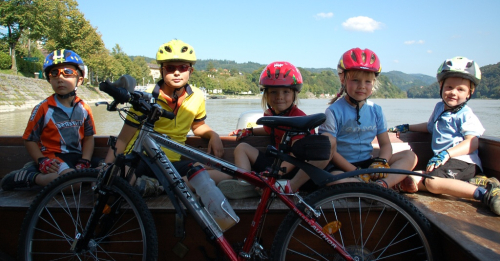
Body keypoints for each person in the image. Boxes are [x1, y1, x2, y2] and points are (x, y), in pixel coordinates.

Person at [101, 39, 229, 196]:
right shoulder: (144, 97)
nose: (177, 72)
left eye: (183, 67)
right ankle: (168, 186)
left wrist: (213, 135)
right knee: (122, 178)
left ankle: (159, 187)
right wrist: (106, 167)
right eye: (170, 68)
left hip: (171, 163)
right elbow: (123, 139)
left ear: (191, 71)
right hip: (140, 159)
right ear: (162, 70)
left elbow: (197, 125)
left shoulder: (197, 96)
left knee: (224, 174)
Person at [388, 56, 500, 215]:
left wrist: (447, 154)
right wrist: (406, 127)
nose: (453, 93)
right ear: (441, 86)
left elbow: (472, 142)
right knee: (407, 179)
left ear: (470, 92)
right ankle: (472, 182)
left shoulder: (466, 115)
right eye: (449, 87)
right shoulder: (440, 107)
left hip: (463, 162)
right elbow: (429, 127)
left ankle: (485, 193)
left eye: (461, 89)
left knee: (432, 183)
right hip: (446, 164)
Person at [218, 61, 332, 199]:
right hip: (276, 162)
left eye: (285, 92)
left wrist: (276, 172)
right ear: (265, 95)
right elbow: (268, 130)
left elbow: (296, 155)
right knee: (241, 148)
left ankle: (276, 184)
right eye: (273, 92)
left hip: (294, 169)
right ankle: (245, 184)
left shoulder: (298, 118)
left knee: (289, 162)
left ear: (295, 94)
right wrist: (249, 131)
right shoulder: (270, 114)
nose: (279, 97)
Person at [318, 48, 417, 190]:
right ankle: (378, 186)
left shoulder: (376, 110)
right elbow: (331, 152)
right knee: (331, 180)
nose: (362, 86)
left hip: (369, 163)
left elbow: (385, 145)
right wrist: (355, 172)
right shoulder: (333, 111)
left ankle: (381, 185)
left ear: (374, 82)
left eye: (368, 82)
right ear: (343, 79)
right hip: (342, 166)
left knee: (409, 156)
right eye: (355, 80)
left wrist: (381, 162)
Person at [1, 49, 96, 190]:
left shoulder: (84, 108)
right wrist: (41, 161)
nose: (60, 78)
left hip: (77, 158)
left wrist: (86, 161)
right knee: (73, 183)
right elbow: (29, 139)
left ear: (80, 79)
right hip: (53, 159)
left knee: (108, 172)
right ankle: (31, 177)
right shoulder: (43, 108)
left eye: (67, 72)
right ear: (49, 79)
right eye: (54, 73)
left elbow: (88, 138)